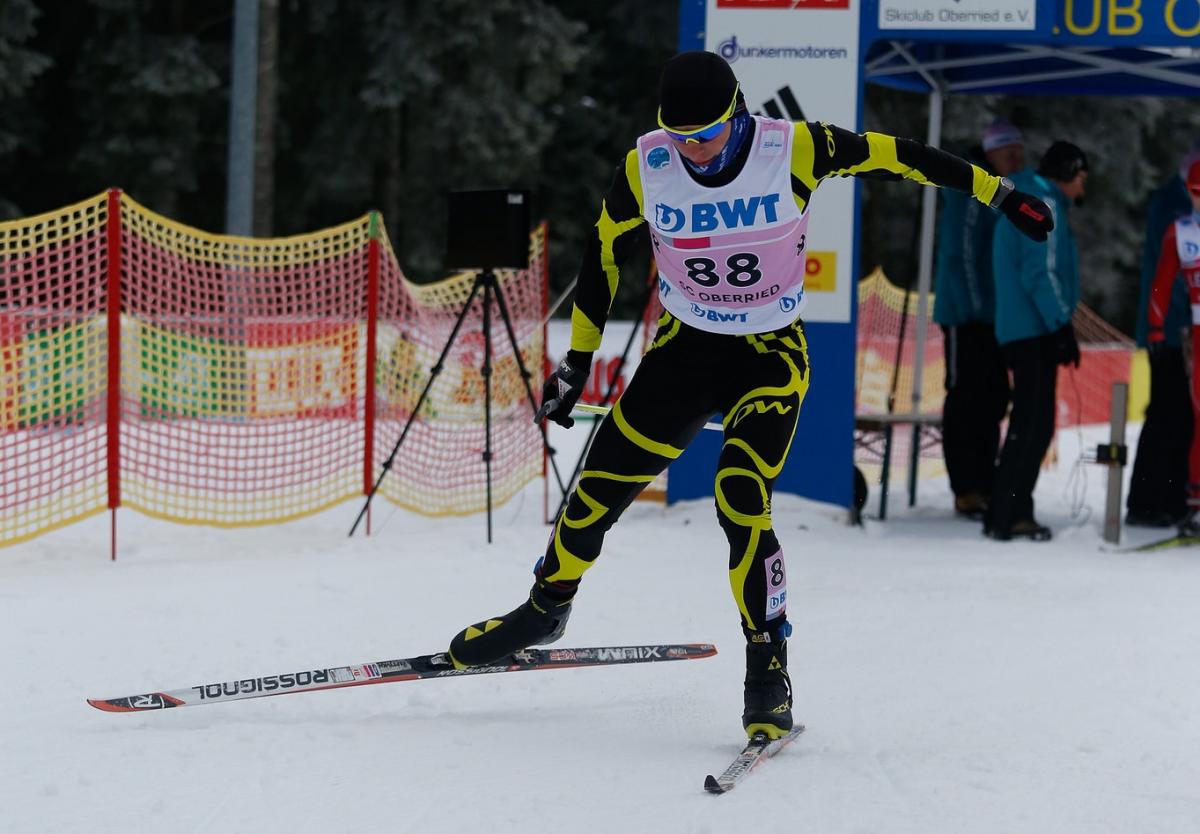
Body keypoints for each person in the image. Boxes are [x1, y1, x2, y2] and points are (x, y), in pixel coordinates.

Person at [447, 51, 1053, 739]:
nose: (692, 152)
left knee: (740, 492)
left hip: (768, 353)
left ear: (736, 115)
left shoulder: (794, 147)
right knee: (593, 493)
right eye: (679, 137)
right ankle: (544, 610)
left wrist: (1001, 198)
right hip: (684, 352)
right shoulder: (647, 166)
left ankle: (768, 667)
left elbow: (904, 157)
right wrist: (577, 361)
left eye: (704, 135)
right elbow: (604, 253)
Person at [987, 141, 1088, 542]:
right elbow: (1039, 273)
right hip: (1031, 329)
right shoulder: (1041, 201)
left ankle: (1007, 509)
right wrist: (1060, 325)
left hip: (1024, 326)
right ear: (1067, 173)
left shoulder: (1028, 195)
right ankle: (1008, 512)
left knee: (1029, 422)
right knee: (1032, 424)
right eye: (1081, 177)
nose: (1083, 187)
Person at [933, 120, 1024, 520]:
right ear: (990, 151)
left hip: (990, 314)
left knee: (991, 397)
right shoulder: (973, 186)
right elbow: (961, 254)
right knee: (966, 397)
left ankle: (984, 481)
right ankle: (966, 487)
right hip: (966, 315)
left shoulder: (999, 189)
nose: (1016, 159)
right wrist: (975, 308)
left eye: (1019, 152)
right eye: (1009, 152)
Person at [1127, 147, 1200, 527]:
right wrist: (1178, 326)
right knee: (1168, 415)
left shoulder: (1175, 200)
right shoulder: (1174, 206)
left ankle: (1169, 498)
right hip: (1173, 333)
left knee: (1180, 417)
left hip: (1178, 330)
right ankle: (1149, 502)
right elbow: (1172, 276)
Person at [1147, 159, 1200, 535]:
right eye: (1198, 194)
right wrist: (1154, 329)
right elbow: (1160, 287)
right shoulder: (1180, 232)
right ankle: (1195, 504)